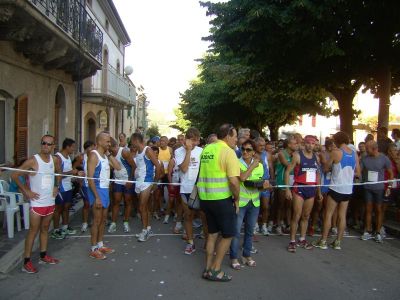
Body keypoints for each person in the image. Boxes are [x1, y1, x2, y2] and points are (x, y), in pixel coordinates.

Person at [12, 135, 61, 273]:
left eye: (49, 144)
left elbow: (58, 172)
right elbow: (14, 175)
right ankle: (26, 262)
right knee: (33, 231)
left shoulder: (55, 160)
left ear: (53, 146)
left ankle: (43, 255)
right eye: (43, 143)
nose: (46, 146)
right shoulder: (33, 161)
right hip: (37, 203)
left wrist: (57, 185)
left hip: (50, 201)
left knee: (45, 229)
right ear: (41, 144)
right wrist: (26, 191)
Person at [198, 124, 240, 282]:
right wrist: (237, 199)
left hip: (206, 199)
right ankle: (216, 270)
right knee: (229, 235)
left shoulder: (207, 149)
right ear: (228, 136)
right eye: (235, 136)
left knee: (212, 234)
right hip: (222, 200)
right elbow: (234, 182)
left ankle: (207, 268)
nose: (236, 139)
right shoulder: (228, 152)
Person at [313, 131, 360, 250]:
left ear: (338, 141)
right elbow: (358, 173)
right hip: (348, 189)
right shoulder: (354, 154)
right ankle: (338, 242)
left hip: (335, 188)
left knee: (328, 214)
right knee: (342, 216)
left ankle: (323, 241)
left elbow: (326, 167)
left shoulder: (336, 152)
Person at [230, 139, 269, 270]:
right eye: (243, 149)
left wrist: (265, 186)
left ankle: (246, 255)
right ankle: (234, 257)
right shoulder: (236, 163)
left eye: (249, 150)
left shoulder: (261, 165)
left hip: (254, 202)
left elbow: (260, 185)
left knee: (249, 231)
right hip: (240, 202)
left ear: (253, 152)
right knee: (235, 232)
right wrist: (253, 166)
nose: (245, 152)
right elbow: (242, 178)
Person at [285, 135, 322, 253]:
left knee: (306, 216)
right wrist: (287, 189)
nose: (311, 145)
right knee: (296, 215)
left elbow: (317, 175)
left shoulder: (316, 157)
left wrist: (319, 191)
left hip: (311, 189)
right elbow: (287, 172)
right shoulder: (297, 155)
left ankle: (302, 238)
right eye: (309, 143)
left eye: (313, 144)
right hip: (299, 188)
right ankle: (292, 241)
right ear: (304, 144)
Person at [87, 132, 121, 260]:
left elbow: (118, 167)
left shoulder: (105, 156)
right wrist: (96, 197)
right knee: (96, 220)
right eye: (107, 142)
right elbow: (90, 178)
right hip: (97, 190)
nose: (109, 144)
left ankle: (100, 244)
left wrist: (109, 154)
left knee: (103, 220)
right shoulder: (93, 155)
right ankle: (93, 249)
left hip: (105, 190)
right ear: (100, 142)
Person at [174, 127, 203, 255]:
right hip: (186, 188)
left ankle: (208, 242)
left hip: (200, 188)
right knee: (188, 216)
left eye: (197, 141)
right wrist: (188, 151)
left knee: (204, 216)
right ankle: (190, 242)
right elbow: (184, 168)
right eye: (193, 140)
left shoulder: (202, 151)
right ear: (187, 140)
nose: (195, 143)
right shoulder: (179, 151)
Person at [130, 133, 161, 242]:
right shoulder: (137, 152)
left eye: (132, 141)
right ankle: (148, 228)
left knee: (141, 207)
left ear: (136, 140)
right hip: (139, 182)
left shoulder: (147, 150)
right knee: (145, 207)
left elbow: (157, 165)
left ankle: (144, 231)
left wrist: (155, 182)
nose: (131, 143)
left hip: (147, 182)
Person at [360, 140, 393, 243]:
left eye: (367, 148)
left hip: (379, 188)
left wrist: (389, 187)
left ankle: (378, 232)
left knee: (379, 209)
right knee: (368, 209)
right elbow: (359, 171)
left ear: (374, 148)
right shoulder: (365, 159)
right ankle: (368, 230)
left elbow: (390, 173)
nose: (366, 150)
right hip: (367, 188)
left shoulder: (384, 158)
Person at [51, 138, 79, 239]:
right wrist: (71, 172)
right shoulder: (58, 158)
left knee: (66, 207)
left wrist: (74, 177)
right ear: (67, 147)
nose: (74, 149)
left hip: (68, 186)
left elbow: (68, 173)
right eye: (73, 147)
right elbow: (57, 174)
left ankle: (65, 226)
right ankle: (56, 230)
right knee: (58, 209)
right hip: (60, 187)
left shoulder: (67, 157)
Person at [108, 137, 136, 233]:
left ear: (110, 145)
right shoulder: (109, 155)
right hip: (117, 181)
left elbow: (133, 166)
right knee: (116, 201)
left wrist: (130, 180)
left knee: (128, 201)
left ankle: (126, 222)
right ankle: (113, 223)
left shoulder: (124, 152)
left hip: (127, 180)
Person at [309, 139, 334, 236]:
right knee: (318, 206)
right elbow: (325, 164)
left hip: (329, 182)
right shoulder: (322, 154)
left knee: (327, 207)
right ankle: (312, 226)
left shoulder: (334, 154)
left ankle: (325, 227)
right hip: (320, 182)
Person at [275, 136, 297, 235]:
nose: (296, 145)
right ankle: (278, 225)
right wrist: (296, 160)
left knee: (289, 205)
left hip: (292, 181)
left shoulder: (295, 154)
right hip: (282, 181)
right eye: (294, 143)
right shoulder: (281, 153)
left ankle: (288, 224)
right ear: (289, 144)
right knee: (280, 204)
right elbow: (288, 165)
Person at [73, 140, 95, 232]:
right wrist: (78, 174)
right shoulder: (82, 157)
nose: (90, 150)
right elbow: (73, 167)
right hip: (85, 184)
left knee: (94, 204)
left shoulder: (98, 156)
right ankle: (85, 223)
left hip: (95, 184)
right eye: (88, 149)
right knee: (86, 204)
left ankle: (94, 221)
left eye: (92, 148)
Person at [254, 137, 274, 235]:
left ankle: (264, 225)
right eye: (260, 145)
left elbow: (271, 168)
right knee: (255, 206)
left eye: (263, 145)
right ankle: (256, 225)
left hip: (266, 183)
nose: (262, 147)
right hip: (256, 183)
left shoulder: (267, 155)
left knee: (266, 206)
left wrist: (272, 182)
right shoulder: (251, 154)